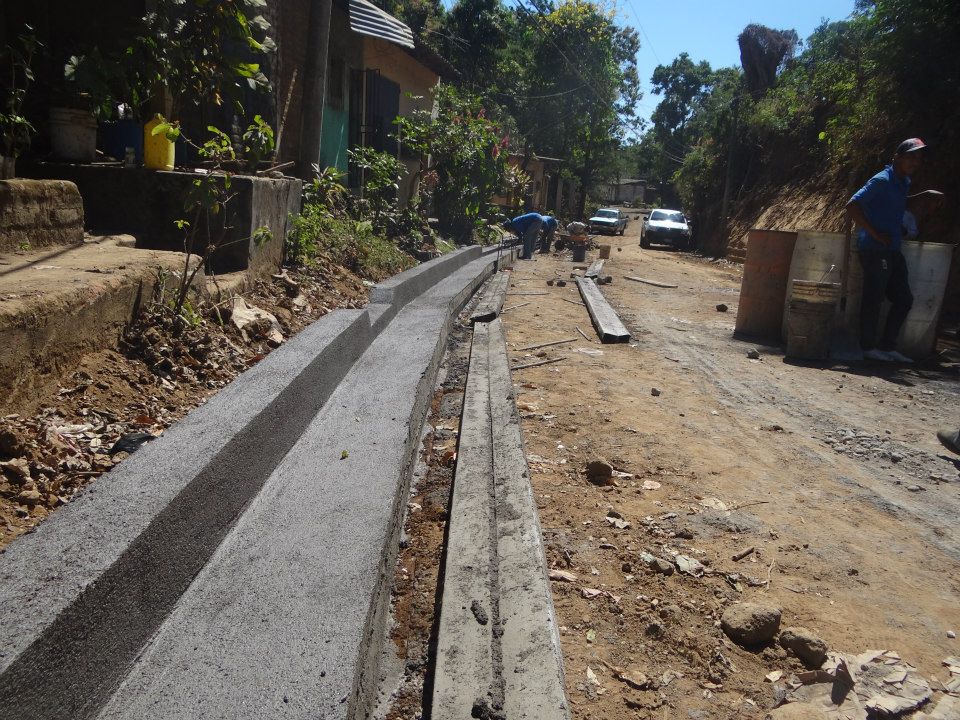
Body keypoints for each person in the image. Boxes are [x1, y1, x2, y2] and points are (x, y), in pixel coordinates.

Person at [845, 138, 926, 363]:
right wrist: (875, 233)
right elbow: (852, 205)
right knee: (874, 298)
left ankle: (888, 347)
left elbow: (895, 205)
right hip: (874, 249)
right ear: (897, 158)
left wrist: (924, 198)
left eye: (918, 158)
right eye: (910, 157)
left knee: (904, 298)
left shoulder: (904, 182)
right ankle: (868, 348)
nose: (915, 162)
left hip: (892, 249)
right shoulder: (881, 180)